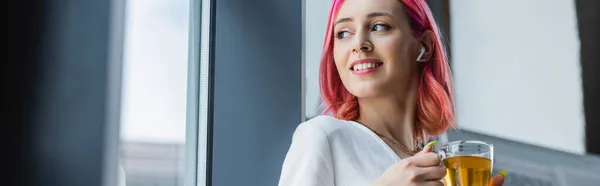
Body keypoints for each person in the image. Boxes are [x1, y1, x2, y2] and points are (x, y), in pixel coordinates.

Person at [278, 0, 506, 185]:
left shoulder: (441, 165)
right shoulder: (322, 136)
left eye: (378, 26)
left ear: (424, 46)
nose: (359, 44)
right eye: (343, 33)